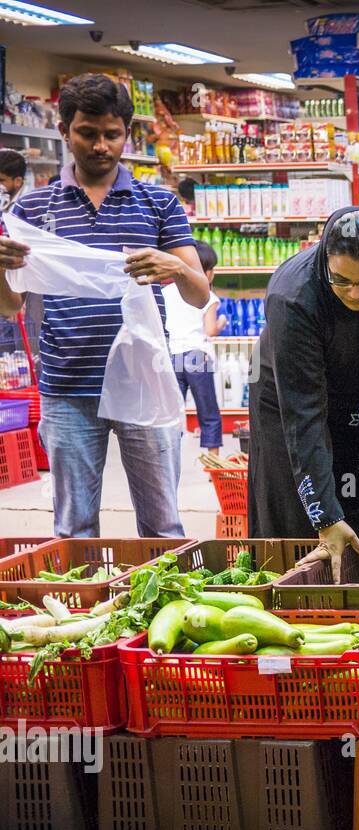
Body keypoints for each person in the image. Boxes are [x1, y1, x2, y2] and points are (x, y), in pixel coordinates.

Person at [0, 73, 207, 539]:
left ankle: (166, 608)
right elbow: (11, 304)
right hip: (67, 387)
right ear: (65, 131)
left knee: (164, 526)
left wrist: (172, 267)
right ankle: (86, 611)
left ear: (126, 135)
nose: (100, 146)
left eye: (111, 135)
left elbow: (198, 294)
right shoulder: (32, 212)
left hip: (145, 381)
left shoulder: (158, 204)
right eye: (87, 133)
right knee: (73, 528)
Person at [249, 207, 359, 579]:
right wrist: (326, 517)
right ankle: (303, 594)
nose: (354, 293)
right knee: (301, 511)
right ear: (324, 260)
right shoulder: (294, 297)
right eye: (341, 280)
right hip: (291, 394)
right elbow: (304, 416)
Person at [163, 238, 223, 460]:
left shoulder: (167, 292)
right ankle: (213, 458)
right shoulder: (207, 296)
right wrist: (222, 323)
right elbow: (209, 330)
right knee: (208, 410)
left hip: (172, 356)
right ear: (205, 273)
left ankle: (169, 459)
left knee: (173, 413)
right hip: (197, 356)